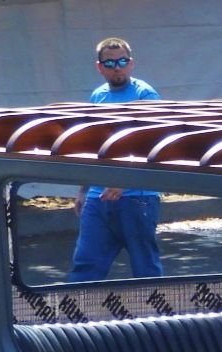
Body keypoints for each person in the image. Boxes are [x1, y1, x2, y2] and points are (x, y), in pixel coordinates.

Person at [68, 38, 165, 281]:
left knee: (145, 269)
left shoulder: (145, 94)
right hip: (98, 199)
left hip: (137, 198)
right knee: (85, 267)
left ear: (131, 64)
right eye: (110, 62)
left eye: (122, 61)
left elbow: (153, 143)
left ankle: (156, 317)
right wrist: (83, 190)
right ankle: (77, 317)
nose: (117, 67)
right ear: (99, 67)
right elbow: (92, 145)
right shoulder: (97, 96)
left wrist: (123, 182)